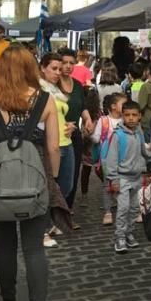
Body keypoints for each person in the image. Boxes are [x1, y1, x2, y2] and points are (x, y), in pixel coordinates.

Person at [0, 44, 60, 301]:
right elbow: (53, 148)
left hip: (0, 182)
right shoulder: (45, 100)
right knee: (34, 248)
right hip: (35, 180)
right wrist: (53, 179)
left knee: (5, 245)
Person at [104, 100, 151, 254]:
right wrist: (113, 179)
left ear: (140, 116)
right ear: (122, 116)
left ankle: (129, 232)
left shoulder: (139, 133)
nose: (131, 118)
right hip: (122, 178)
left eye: (134, 115)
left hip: (137, 178)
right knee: (123, 208)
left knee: (134, 208)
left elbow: (144, 152)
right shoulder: (117, 135)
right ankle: (120, 237)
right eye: (127, 115)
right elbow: (111, 160)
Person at [39, 52, 74, 248]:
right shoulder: (39, 90)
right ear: (43, 68)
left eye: (60, 69)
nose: (58, 72)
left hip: (66, 141)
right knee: (49, 187)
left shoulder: (56, 90)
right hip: (51, 143)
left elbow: (59, 116)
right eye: (54, 68)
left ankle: (52, 222)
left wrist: (70, 125)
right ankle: (42, 229)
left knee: (65, 187)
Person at [58, 48, 91, 211]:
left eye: (71, 63)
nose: (68, 66)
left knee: (73, 173)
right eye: (64, 62)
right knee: (58, 175)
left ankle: (68, 210)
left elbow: (82, 106)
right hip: (57, 134)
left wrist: (88, 119)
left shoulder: (77, 85)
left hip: (75, 134)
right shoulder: (53, 85)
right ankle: (56, 211)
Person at [91, 92, 127, 225]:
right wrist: (90, 134)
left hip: (124, 158)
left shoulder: (126, 119)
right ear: (113, 106)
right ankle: (107, 212)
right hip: (107, 158)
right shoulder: (104, 120)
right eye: (123, 104)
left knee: (124, 183)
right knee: (108, 185)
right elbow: (96, 137)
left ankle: (126, 209)